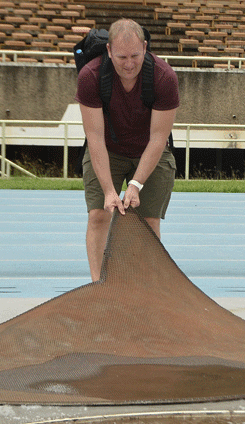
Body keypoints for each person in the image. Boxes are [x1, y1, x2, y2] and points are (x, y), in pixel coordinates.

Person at [75, 19, 179, 282]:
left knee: (148, 221)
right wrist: (110, 191)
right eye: (121, 56)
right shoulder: (90, 76)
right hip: (107, 149)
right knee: (99, 214)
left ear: (145, 47)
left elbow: (158, 138)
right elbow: (95, 137)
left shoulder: (164, 77)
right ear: (109, 51)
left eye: (135, 55)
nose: (129, 64)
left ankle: (142, 285)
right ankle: (100, 284)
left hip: (150, 149)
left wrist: (135, 184)